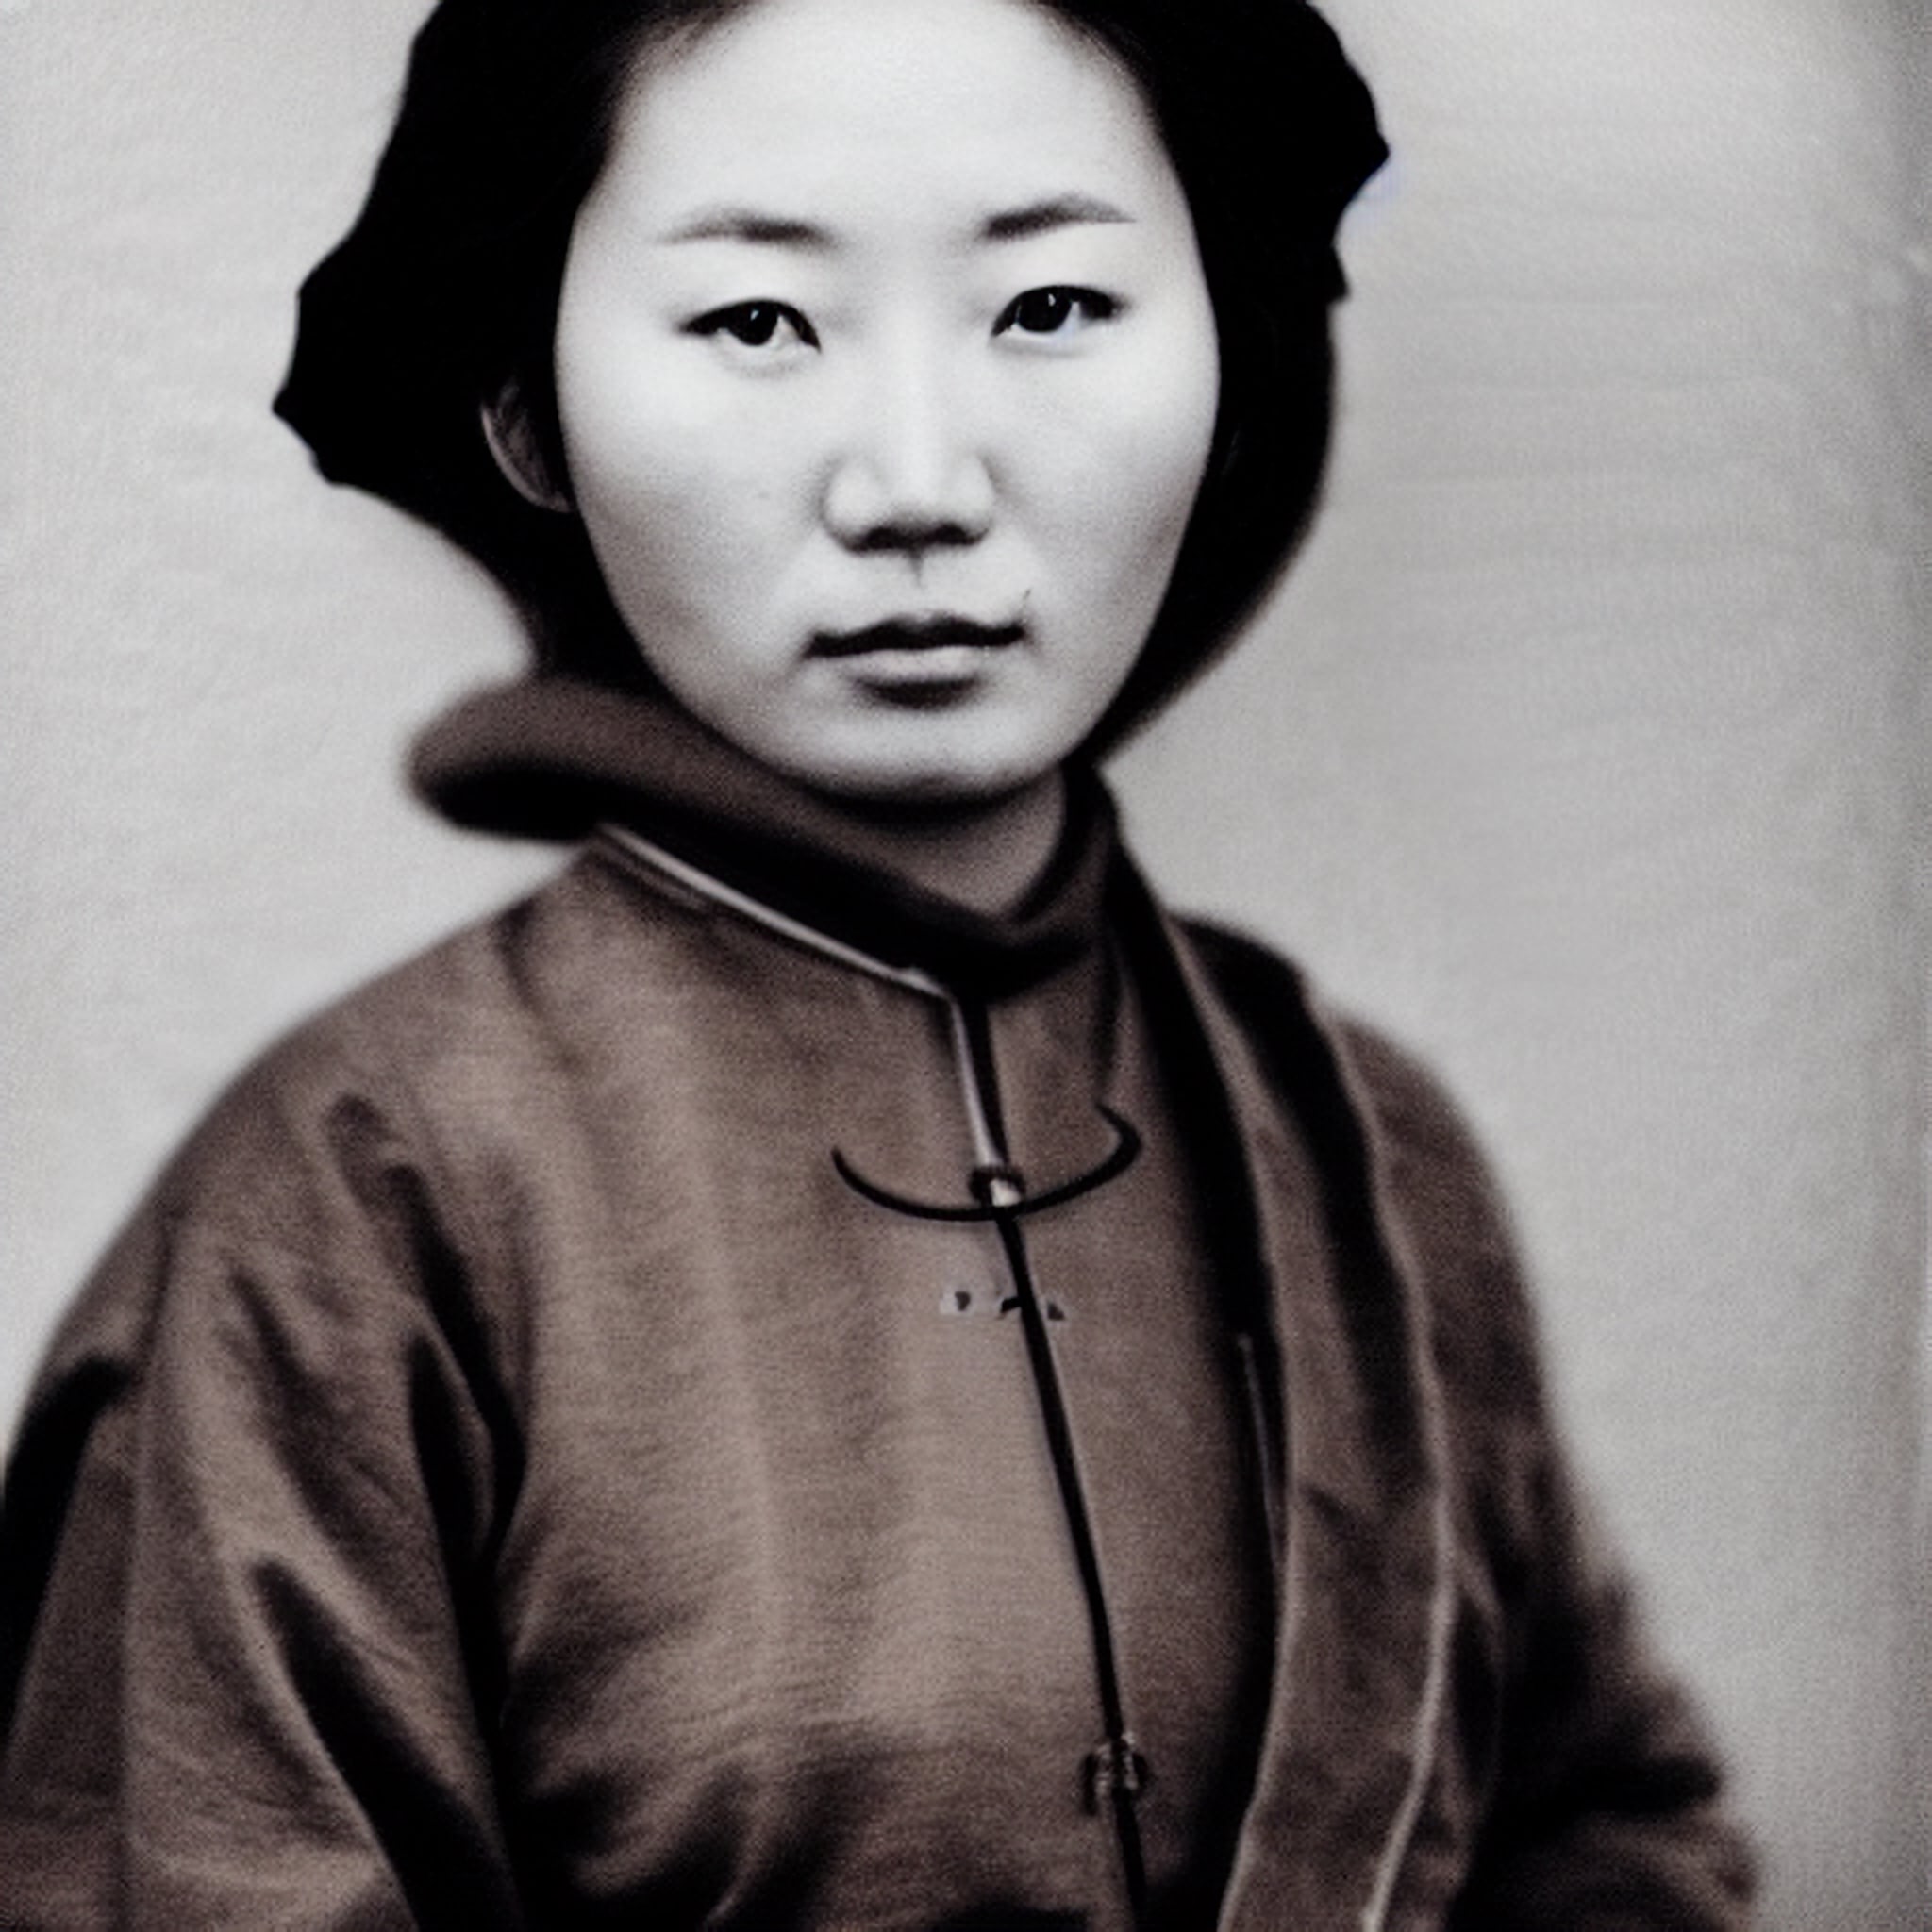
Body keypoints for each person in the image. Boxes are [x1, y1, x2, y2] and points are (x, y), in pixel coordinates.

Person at [0, 0, 1755, 1924]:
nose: (917, 480)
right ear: (528, 409)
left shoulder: (1367, 1154)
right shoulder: (352, 1200)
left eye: (1052, 308)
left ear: (1231, 361)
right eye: (757, 323)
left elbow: (1610, 1837)